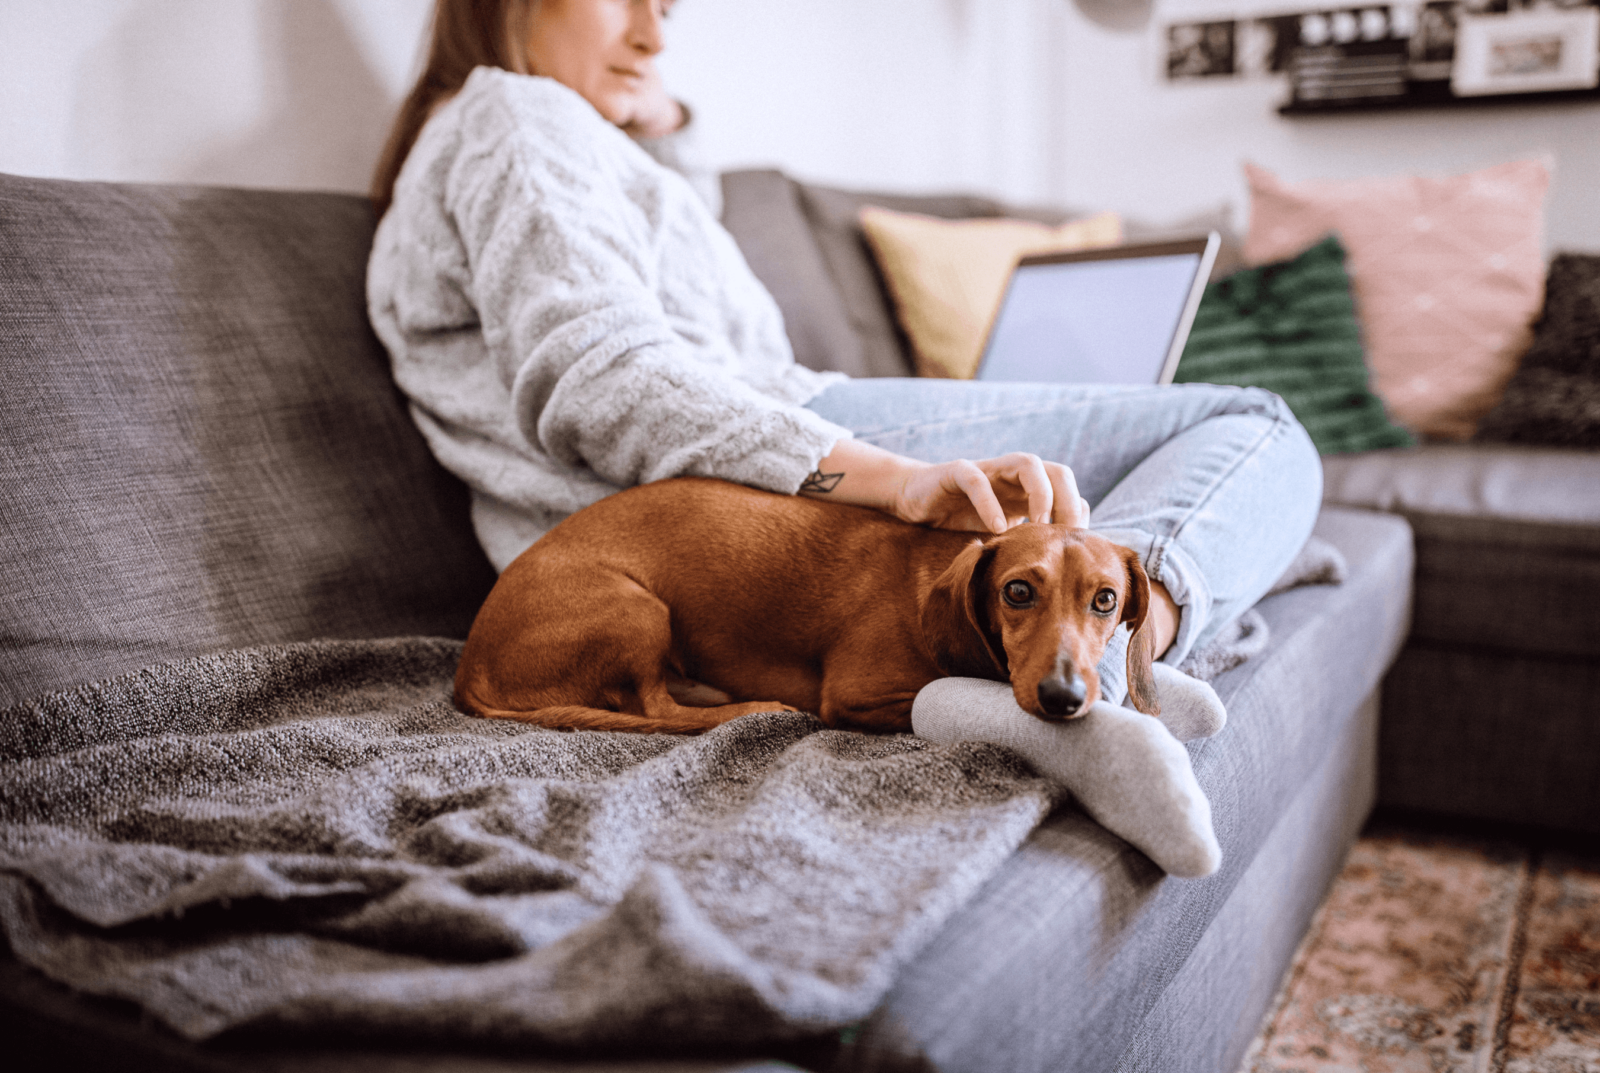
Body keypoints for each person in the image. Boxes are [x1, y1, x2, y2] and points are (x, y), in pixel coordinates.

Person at [367, 0, 1323, 715]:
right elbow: (608, 378)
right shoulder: (519, 122)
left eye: (666, 7)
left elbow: (679, 300)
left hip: (742, 460)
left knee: (1148, 482)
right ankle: (1118, 673)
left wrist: (666, 129)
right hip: (758, 462)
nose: (655, 35)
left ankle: (1175, 585)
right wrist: (891, 479)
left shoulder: (532, 138)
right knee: (1252, 426)